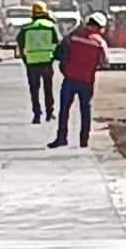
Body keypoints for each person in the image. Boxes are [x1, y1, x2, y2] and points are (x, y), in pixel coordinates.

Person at [49, 11, 109, 150]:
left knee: (64, 110)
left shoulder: (73, 36)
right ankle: (84, 140)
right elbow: (105, 61)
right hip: (87, 80)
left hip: (70, 78)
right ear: (100, 27)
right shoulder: (99, 42)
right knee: (85, 110)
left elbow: (61, 51)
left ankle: (61, 138)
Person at [15, 1, 59, 124]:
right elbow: (57, 43)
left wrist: (25, 59)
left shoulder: (26, 28)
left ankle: (37, 114)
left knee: (34, 90)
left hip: (32, 62)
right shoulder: (50, 27)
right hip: (46, 61)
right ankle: (49, 113)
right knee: (48, 88)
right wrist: (53, 56)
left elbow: (20, 44)